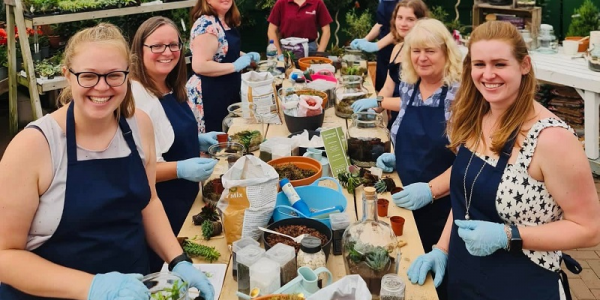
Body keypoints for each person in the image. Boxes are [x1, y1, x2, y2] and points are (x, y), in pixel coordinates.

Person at [0, 24, 214, 300]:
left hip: (135, 289)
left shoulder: (139, 126)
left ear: (128, 75)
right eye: (88, 76)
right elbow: (5, 256)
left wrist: (177, 260)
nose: (102, 87)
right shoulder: (35, 146)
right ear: (68, 75)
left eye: (114, 75)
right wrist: (92, 288)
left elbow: (148, 202)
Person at [407, 21, 600, 300]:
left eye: (499, 64)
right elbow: (466, 198)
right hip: (464, 278)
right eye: (479, 64)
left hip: (520, 286)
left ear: (524, 65)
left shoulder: (551, 139)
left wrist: (509, 235)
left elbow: (589, 229)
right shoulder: (478, 117)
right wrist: (442, 249)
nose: (488, 75)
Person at [351, 18, 462, 281]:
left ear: (446, 52)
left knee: (431, 279)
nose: (422, 58)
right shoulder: (410, 87)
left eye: (430, 51)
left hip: (442, 209)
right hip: (403, 199)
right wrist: (398, 159)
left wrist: (430, 191)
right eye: (416, 51)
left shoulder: (458, 96)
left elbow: (470, 163)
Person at [131, 16, 221, 273]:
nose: (167, 52)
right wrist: (180, 168)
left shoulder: (171, 86)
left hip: (188, 202)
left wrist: (195, 140)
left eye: (173, 45)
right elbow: (137, 169)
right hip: (162, 209)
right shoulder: (137, 97)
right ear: (140, 50)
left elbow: (167, 136)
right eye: (157, 46)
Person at [187, 0, 260, 132]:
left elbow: (224, 51)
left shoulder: (225, 21)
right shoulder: (207, 25)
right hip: (210, 94)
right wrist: (235, 66)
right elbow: (200, 65)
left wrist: (247, 56)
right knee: (218, 141)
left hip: (226, 89)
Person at [356, 0, 428, 129]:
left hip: (417, 125)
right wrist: (373, 109)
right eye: (399, 17)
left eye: (410, 19)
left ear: (421, 22)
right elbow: (388, 88)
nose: (403, 23)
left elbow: (416, 101)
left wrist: (379, 102)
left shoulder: (423, 56)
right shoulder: (398, 48)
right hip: (397, 121)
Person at [350, 0, 399, 91]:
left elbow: (400, 29)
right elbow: (381, 23)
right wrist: (366, 39)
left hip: (399, 52)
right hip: (383, 54)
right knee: (382, 88)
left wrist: (376, 45)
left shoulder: (408, 2)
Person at [267, 0, 333, 55]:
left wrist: (319, 53)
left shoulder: (317, 2)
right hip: (287, 50)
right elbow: (271, 30)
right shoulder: (281, 3)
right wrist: (279, 54)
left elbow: (326, 30)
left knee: (311, 71)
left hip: (310, 49)